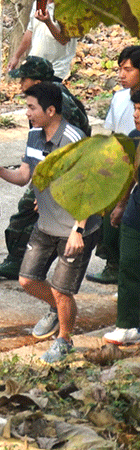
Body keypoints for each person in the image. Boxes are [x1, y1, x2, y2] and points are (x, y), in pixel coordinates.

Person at [0, 82, 97, 364]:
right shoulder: (33, 135)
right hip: (45, 223)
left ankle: (64, 339)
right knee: (27, 279)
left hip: (74, 229)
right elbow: (24, 176)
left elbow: (91, 188)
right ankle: (58, 311)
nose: (26, 112)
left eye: (31, 107)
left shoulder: (73, 140)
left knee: (62, 289)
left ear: (51, 110)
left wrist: (78, 230)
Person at [0, 57, 93, 280]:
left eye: (24, 80)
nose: (20, 85)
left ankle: (17, 262)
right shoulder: (47, 96)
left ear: (37, 81)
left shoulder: (57, 105)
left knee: (25, 212)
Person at [89, 45, 140, 286]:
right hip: (117, 163)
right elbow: (112, 132)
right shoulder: (120, 97)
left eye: (128, 69)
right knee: (109, 219)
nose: (122, 74)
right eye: (120, 69)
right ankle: (112, 264)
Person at [104, 54, 140, 345]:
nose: (137, 114)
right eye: (136, 108)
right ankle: (127, 324)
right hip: (136, 206)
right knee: (129, 263)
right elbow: (128, 173)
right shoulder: (134, 137)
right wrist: (121, 204)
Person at [7, 0, 76, 78]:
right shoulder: (40, 2)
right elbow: (31, 31)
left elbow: (64, 40)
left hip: (55, 69)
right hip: (35, 64)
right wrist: (16, 56)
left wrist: (48, 22)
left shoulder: (71, 7)